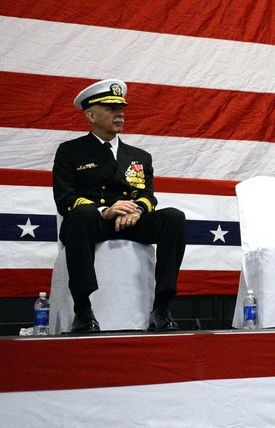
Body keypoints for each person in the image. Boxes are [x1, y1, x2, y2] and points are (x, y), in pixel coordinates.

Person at [53, 79, 186, 333]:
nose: (120, 114)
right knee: (80, 214)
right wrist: (105, 211)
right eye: (111, 108)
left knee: (173, 218)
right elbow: (64, 198)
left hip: (130, 222)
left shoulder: (139, 156)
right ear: (91, 115)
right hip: (94, 222)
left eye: (121, 108)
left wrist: (136, 211)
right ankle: (83, 309)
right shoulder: (70, 151)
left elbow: (148, 196)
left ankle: (162, 306)